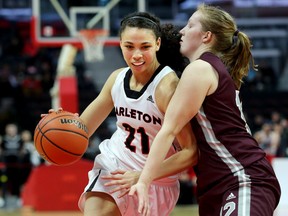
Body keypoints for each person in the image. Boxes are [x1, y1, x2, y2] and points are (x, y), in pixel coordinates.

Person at [129, 4, 281, 216]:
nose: (182, 31)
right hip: (216, 184)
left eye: (190, 25)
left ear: (206, 36)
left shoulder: (200, 69)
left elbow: (169, 129)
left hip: (241, 177)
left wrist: (144, 180)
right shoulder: (207, 69)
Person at [73, 11, 197, 216]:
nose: (136, 55)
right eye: (129, 46)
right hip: (114, 167)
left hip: (156, 181)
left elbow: (190, 152)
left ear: (157, 44)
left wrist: (143, 176)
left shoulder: (167, 87)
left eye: (145, 47)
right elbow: (81, 130)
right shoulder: (116, 79)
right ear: (120, 44)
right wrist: (61, 125)